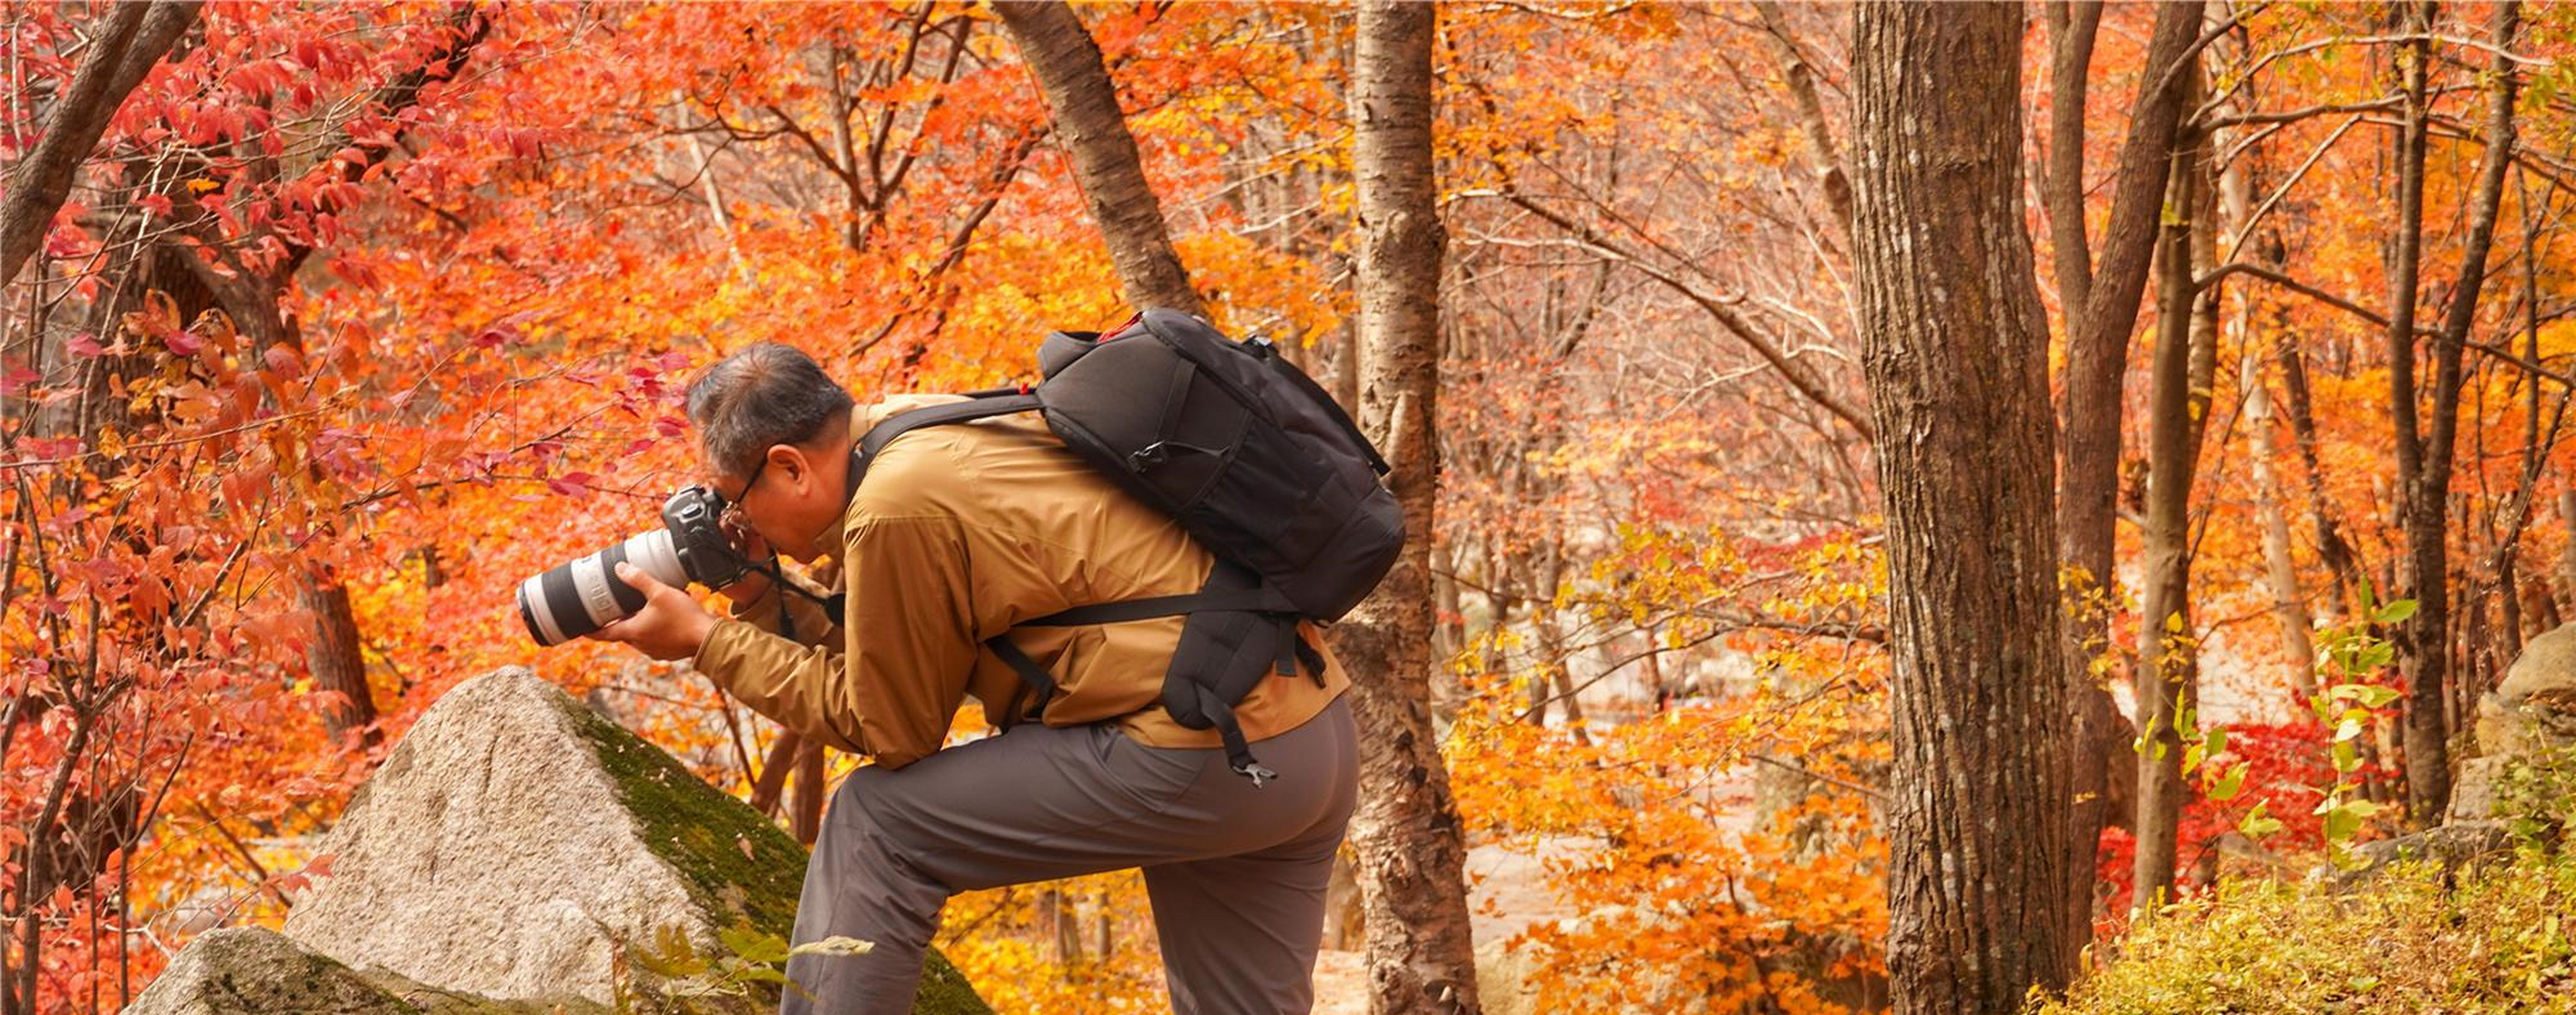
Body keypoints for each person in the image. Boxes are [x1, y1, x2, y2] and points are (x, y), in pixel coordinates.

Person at [587, 340, 1358, 1015]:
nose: (732, 521)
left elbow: (892, 728)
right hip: (1300, 733)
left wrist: (706, 639)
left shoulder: (893, 506)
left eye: (733, 498)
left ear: (788, 466)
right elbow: (905, 659)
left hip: (1194, 749)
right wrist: (759, 596)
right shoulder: (929, 425)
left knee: (878, 824)